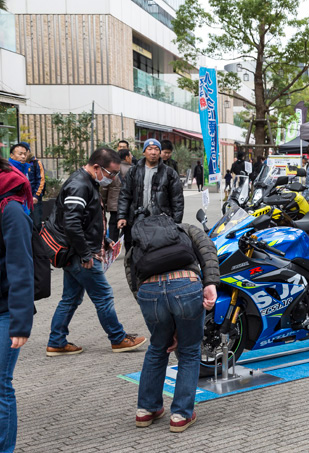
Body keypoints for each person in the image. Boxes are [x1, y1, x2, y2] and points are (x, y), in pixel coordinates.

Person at [46, 148, 147, 356]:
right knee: (103, 296)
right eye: (110, 174)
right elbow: (72, 224)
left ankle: (56, 341)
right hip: (79, 254)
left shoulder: (86, 182)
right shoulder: (79, 185)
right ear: (96, 167)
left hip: (76, 251)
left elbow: (86, 221)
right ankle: (118, 338)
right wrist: (86, 254)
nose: (112, 179)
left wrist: (104, 240)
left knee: (71, 298)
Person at [129, 221, 219, 433]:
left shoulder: (139, 236)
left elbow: (131, 273)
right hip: (186, 285)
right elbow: (208, 249)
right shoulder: (184, 228)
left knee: (158, 347)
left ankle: (146, 410)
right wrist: (210, 283)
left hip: (149, 292)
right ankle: (181, 415)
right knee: (189, 351)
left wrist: (146, 304)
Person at [0, 157, 34, 452]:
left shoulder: (11, 210)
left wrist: (20, 323)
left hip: (5, 314)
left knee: (0, 385)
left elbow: (21, 268)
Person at [118, 139, 184, 233]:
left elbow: (177, 199)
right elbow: (125, 195)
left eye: (156, 149)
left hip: (161, 221)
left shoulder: (169, 173)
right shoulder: (134, 171)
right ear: (144, 152)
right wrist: (122, 216)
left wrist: (176, 222)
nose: (153, 152)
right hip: (137, 220)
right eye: (150, 149)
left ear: (159, 152)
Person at [117, 149, 134, 250]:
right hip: (129, 205)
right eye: (130, 156)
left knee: (116, 227)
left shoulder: (115, 168)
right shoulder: (132, 170)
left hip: (115, 204)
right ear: (127, 157)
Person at [25, 146, 46, 225]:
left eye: (24, 153)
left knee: (36, 222)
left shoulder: (35, 163)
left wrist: (36, 195)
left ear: (28, 151)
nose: (23, 156)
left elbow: (41, 180)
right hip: (23, 198)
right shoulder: (19, 164)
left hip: (34, 197)